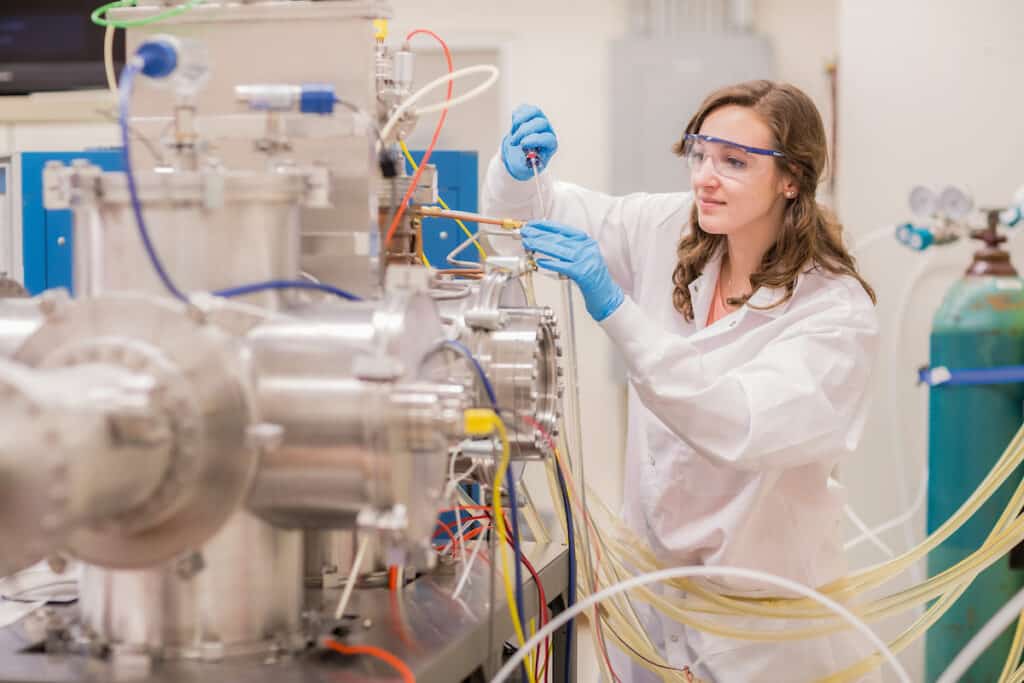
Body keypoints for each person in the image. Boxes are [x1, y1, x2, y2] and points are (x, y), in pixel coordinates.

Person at [482, 80, 881, 682]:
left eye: (734, 162)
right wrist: (517, 177)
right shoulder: (668, 227)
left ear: (791, 179)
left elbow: (737, 424)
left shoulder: (834, 314)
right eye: (699, 154)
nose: (705, 177)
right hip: (653, 604)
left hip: (762, 632)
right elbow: (529, 220)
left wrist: (616, 309)